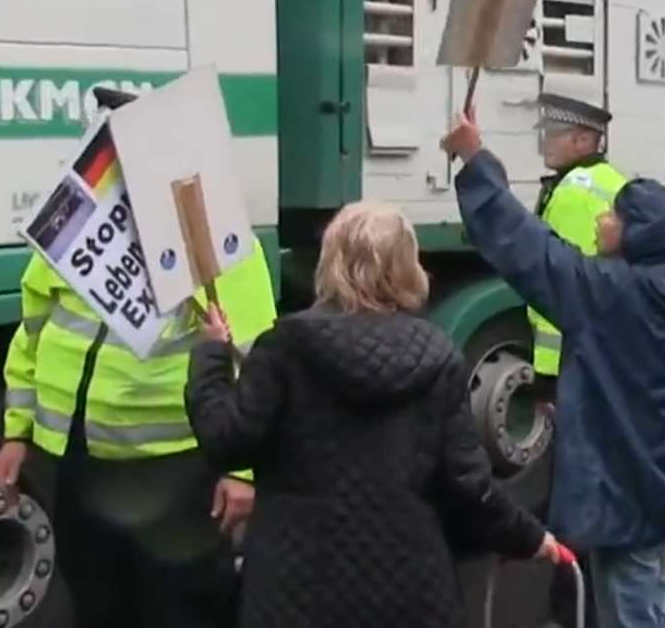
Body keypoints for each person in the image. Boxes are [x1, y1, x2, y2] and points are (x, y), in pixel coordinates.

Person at [184, 202, 564, 628]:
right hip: (409, 590)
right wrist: (530, 537)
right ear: (407, 267)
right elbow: (468, 487)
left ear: (330, 261)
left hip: (295, 588)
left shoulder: (285, 348)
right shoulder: (437, 358)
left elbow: (226, 439)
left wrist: (211, 356)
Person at [0, 86, 277, 628]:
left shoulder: (209, 231)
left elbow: (255, 356)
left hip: (176, 466)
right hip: (79, 461)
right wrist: (18, 430)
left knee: (179, 609)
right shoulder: (76, 224)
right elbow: (32, 329)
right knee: (97, 602)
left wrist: (242, 469)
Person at [442, 108, 665, 628]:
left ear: (639, 235)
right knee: (642, 597)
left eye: (617, 217)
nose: (604, 220)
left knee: (636, 611)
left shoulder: (616, 296)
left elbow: (531, 251)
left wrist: (474, 157)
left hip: (627, 492)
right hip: (652, 483)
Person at [531, 92, 628, 628]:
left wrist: (545, 373)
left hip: (574, 362)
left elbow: (554, 291)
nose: (548, 141)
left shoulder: (572, 192)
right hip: (609, 356)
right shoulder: (615, 182)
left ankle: (569, 608)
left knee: (573, 486)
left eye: (558, 133)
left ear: (586, 140)